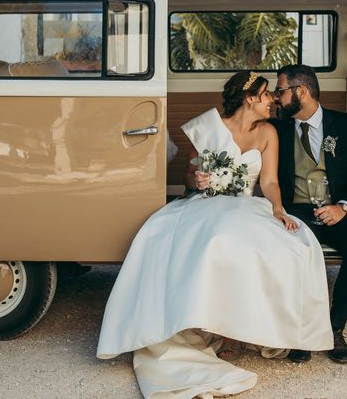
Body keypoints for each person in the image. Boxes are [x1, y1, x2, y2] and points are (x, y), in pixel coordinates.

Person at [97, 70, 333, 399]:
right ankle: (193, 321)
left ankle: (238, 331)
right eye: (267, 95)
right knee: (190, 238)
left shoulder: (268, 132)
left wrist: (278, 209)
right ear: (250, 98)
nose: (272, 101)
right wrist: (198, 181)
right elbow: (189, 175)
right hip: (205, 203)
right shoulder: (207, 126)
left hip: (247, 204)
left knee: (287, 245)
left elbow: (269, 182)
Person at [272, 64, 347, 364]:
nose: (277, 98)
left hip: (341, 207)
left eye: (281, 91)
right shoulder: (277, 129)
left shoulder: (346, 125)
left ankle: (335, 328)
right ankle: (303, 331)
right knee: (292, 251)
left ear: (300, 91)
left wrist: (343, 207)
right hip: (298, 210)